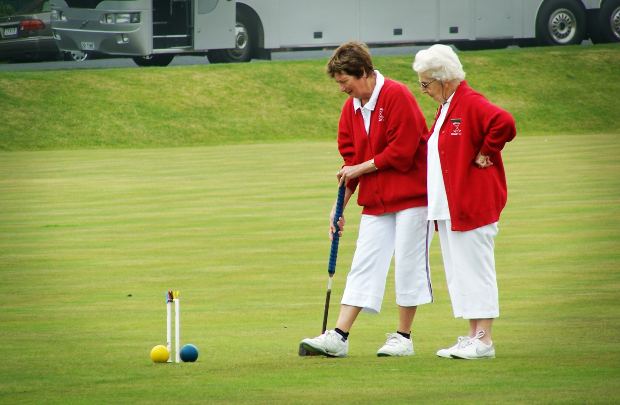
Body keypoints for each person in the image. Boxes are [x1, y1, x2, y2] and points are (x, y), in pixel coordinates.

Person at [300, 41, 431, 357]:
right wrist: (337, 208)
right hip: (376, 201)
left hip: (413, 197)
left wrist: (360, 166)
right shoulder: (350, 110)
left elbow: (402, 152)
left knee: (408, 265)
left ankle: (403, 337)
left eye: (344, 81)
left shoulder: (397, 96)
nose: (342, 88)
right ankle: (339, 337)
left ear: (362, 72)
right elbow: (350, 166)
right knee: (364, 263)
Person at [412, 44, 516, 359]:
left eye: (425, 83)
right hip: (450, 208)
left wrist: (486, 151)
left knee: (476, 270)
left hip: (474, 204)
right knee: (461, 273)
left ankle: (484, 339)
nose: (423, 90)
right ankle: (473, 335)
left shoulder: (470, 103)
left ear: (444, 79)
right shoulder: (447, 107)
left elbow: (505, 122)